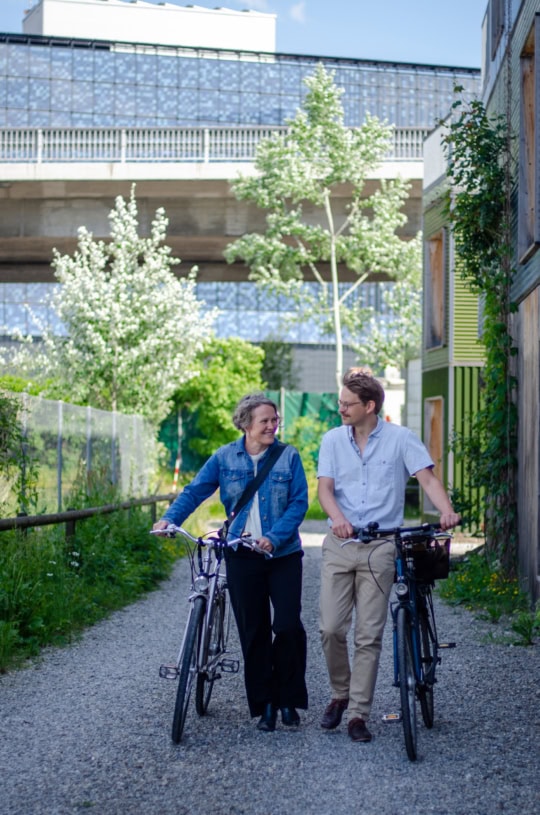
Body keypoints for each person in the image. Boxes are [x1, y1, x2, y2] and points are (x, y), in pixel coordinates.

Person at [317, 367, 460, 743]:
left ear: (369, 405)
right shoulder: (332, 440)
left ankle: (357, 714)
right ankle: (340, 693)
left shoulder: (400, 439)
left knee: (368, 635)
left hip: (381, 546)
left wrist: (446, 511)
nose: (341, 409)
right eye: (340, 402)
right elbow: (325, 490)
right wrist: (338, 519)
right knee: (330, 628)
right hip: (340, 544)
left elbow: (427, 479)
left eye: (347, 404)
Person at [153, 393, 309, 732]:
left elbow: (299, 503)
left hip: (282, 554)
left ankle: (288, 698)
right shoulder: (225, 457)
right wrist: (170, 519)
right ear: (246, 424)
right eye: (265, 421)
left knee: (287, 626)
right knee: (253, 631)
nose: (272, 426)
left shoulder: (288, 457)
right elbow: (195, 491)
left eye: (275, 419)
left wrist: (275, 536)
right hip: (241, 553)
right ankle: (265, 704)